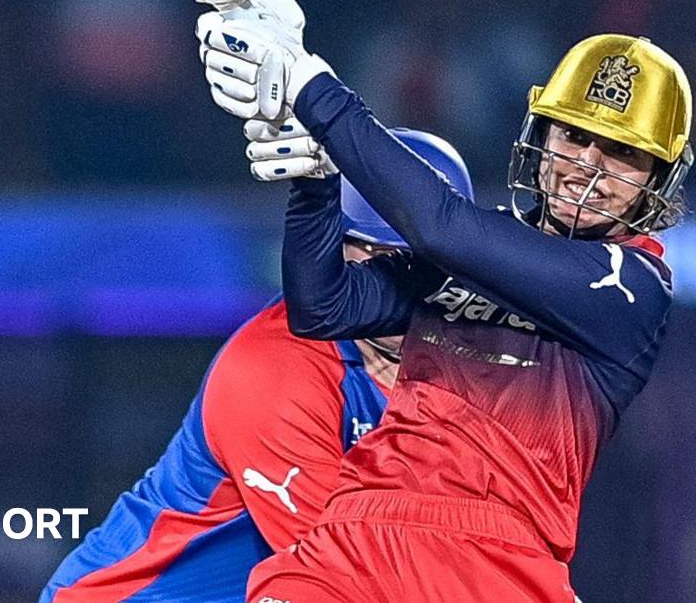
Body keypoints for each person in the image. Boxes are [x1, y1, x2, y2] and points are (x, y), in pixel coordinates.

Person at [194, 0, 693, 601]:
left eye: (622, 153)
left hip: (499, 565)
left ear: (659, 178)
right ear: (540, 142)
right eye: (574, 136)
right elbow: (324, 307)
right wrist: (316, 183)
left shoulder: (632, 289)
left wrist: (310, 87)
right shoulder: (484, 251)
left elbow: (437, 225)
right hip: (353, 541)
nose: (587, 165)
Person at [40, 129, 474, 602]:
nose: (399, 280)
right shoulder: (275, 367)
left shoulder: (477, 363)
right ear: (334, 250)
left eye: (421, 259)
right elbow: (348, 579)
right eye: (375, 253)